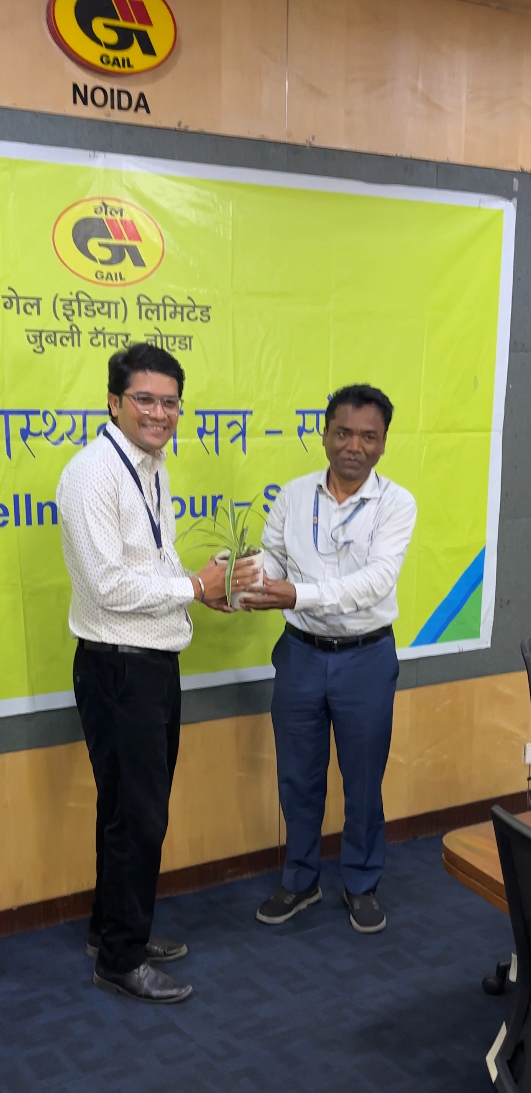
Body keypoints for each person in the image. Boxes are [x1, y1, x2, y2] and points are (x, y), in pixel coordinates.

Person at [56, 343, 255, 1004]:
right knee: (138, 817)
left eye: (170, 402)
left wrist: (202, 589)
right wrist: (192, 588)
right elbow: (108, 585)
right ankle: (122, 959)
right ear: (113, 402)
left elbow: (153, 562)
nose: (159, 413)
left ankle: (111, 930)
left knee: (125, 810)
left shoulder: (152, 467)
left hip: (151, 663)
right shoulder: (93, 474)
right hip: (119, 667)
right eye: (144, 399)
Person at [241, 384, 417, 934]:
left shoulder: (397, 504)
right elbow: (274, 558)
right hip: (300, 654)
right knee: (298, 777)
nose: (354, 446)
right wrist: (244, 572)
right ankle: (300, 880)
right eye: (343, 432)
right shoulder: (294, 496)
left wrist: (296, 594)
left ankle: (361, 884)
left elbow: (375, 583)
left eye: (368, 436)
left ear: (383, 443)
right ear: (324, 434)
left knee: (363, 780)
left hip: (365, 658)